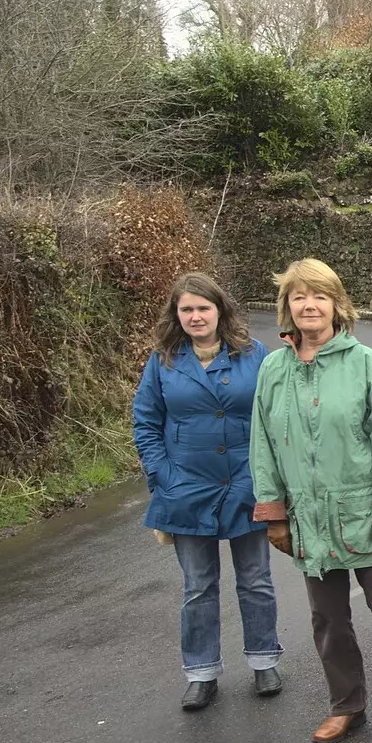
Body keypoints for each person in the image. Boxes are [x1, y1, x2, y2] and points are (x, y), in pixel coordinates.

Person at [249, 258, 372, 743]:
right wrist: (273, 513)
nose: (309, 305)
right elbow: (263, 445)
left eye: (319, 296)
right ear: (287, 307)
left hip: (366, 511)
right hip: (308, 518)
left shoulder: (363, 363)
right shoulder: (273, 370)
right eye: (299, 296)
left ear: (337, 304)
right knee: (327, 617)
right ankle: (346, 705)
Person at [132, 272, 284, 711]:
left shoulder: (255, 356)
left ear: (220, 310)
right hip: (185, 489)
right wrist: (163, 477)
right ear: (176, 315)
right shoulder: (162, 361)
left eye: (203, 307)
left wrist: (272, 480)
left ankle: (263, 660)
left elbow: (276, 417)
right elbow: (145, 422)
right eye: (187, 309)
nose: (196, 316)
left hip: (247, 484)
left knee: (256, 580)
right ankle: (201, 673)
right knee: (198, 586)